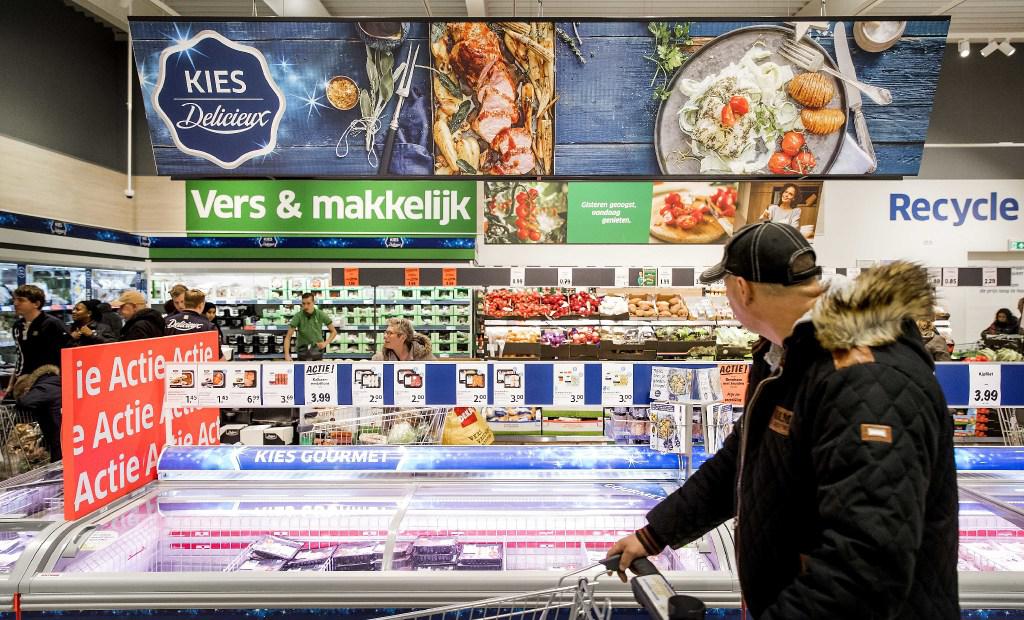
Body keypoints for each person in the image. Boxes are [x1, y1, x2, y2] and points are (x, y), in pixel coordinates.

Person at [608, 222, 958, 619]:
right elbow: (740, 463)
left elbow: (865, 565)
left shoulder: (867, 377)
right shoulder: (791, 359)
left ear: (743, 289)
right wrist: (654, 534)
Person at [12, 284, 68, 377]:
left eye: (21, 300)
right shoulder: (18, 325)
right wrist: (12, 382)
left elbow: (65, 356)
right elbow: (20, 356)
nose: (15, 303)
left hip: (47, 382)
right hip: (22, 380)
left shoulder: (52, 324)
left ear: (36, 304)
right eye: (14, 299)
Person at [13, 364, 61, 461]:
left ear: (27, 391)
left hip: (61, 444)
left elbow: (24, 402)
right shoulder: (55, 381)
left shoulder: (43, 388)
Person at [284, 293, 337, 361]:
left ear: (313, 302)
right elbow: (288, 337)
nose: (305, 306)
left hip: (317, 351)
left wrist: (325, 343)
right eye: (303, 303)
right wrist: (287, 355)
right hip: (302, 351)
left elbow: (334, 332)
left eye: (308, 303)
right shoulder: (298, 316)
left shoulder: (320, 314)